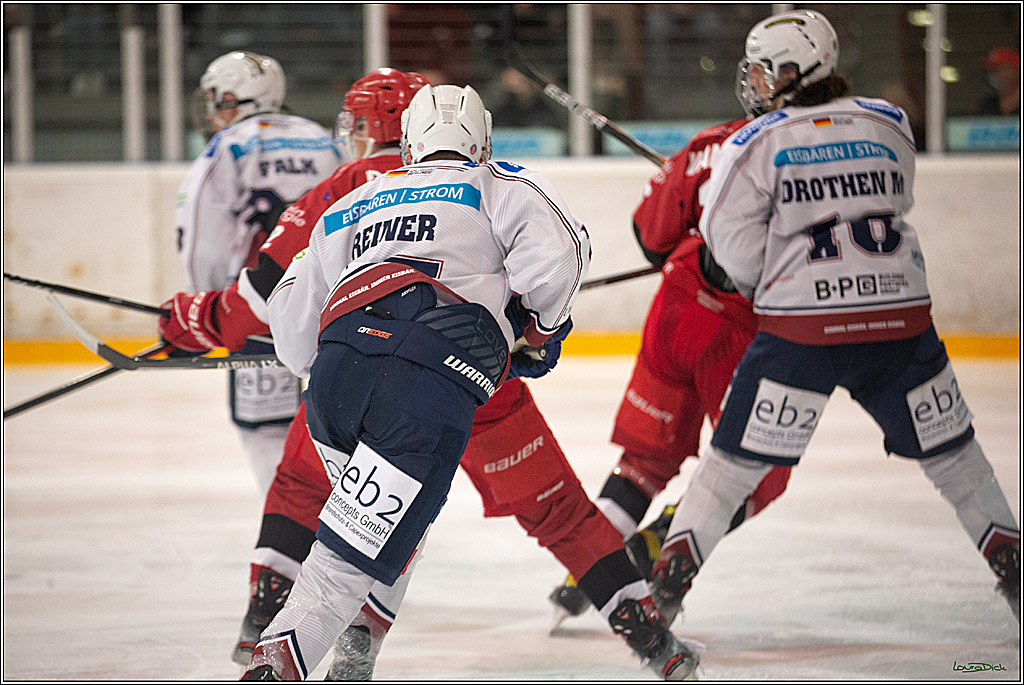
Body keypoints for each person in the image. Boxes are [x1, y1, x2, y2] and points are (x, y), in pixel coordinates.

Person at [162, 69, 698, 681]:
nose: (355, 136)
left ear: (403, 136)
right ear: (483, 142)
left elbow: (273, 301)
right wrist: (538, 335)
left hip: (345, 370)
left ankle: (268, 622)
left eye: (361, 124)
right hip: (463, 381)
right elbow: (557, 264)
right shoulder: (501, 184)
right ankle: (651, 634)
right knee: (556, 512)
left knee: (315, 493)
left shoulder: (350, 192)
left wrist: (203, 323)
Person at [647, 9, 1020, 629]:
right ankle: (1013, 568)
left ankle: (665, 590)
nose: (757, 84)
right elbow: (895, 196)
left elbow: (728, 247)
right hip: (898, 322)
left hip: (802, 332)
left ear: (798, 70)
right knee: (956, 458)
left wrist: (781, 263)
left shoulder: (752, 143)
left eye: (767, 72)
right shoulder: (889, 123)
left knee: (730, 470)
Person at [548, 111, 795, 627]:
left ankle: (586, 571)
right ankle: (658, 545)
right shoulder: (816, 150)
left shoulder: (708, 140)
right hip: (741, 333)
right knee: (759, 472)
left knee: (645, 459)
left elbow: (650, 235)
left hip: (677, 310)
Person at [160, 51, 344, 494]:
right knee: (334, 424)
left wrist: (204, 313)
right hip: (332, 306)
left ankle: (293, 534)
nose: (211, 110)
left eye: (217, 99)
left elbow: (204, 231)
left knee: (265, 427)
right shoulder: (322, 139)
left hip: (258, 304)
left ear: (239, 98)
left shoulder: (230, 145)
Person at [977, 46, 1020, 117]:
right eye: (991, 71)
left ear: (1015, 71)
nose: (993, 75)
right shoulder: (988, 104)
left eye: (998, 70)